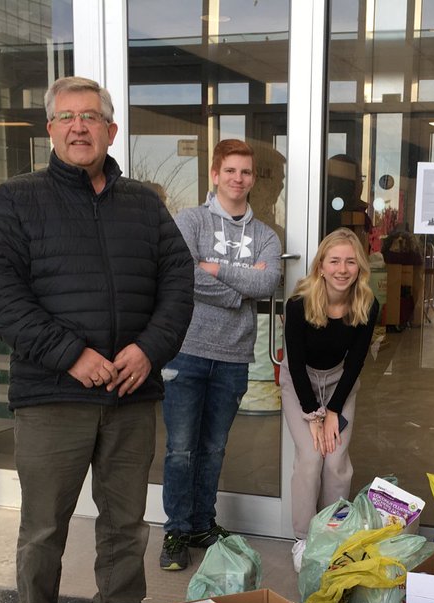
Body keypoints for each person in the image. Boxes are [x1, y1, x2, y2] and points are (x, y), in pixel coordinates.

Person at [0, 76, 193, 603]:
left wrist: (149, 350)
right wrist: (72, 355)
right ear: (50, 130)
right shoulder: (17, 200)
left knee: (126, 518)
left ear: (111, 131)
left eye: (91, 117)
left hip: (130, 391)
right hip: (53, 396)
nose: (79, 127)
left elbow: (178, 284)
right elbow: (0, 295)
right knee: (44, 524)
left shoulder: (145, 205)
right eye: (67, 117)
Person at [159, 140, 283, 571]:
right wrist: (238, 290)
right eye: (230, 170)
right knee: (179, 448)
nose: (238, 179)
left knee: (212, 448)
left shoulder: (266, 235)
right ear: (215, 174)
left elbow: (268, 287)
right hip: (186, 352)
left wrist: (214, 269)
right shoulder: (190, 220)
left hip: (233, 356)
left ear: (252, 179)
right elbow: (181, 273)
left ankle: (201, 524)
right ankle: (175, 531)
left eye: (245, 172)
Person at [280, 228, 378, 571]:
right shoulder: (299, 303)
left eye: (350, 262)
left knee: (335, 460)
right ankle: (303, 538)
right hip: (300, 383)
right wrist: (315, 416)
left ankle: (330, 535)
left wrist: (334, 409)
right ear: (321, 265)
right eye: (334, 260)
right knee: (310, 456)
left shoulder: (366, 303)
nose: (342, 269)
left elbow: (355, 363)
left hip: (340, 383)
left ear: (359, 267)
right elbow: (293, 361)